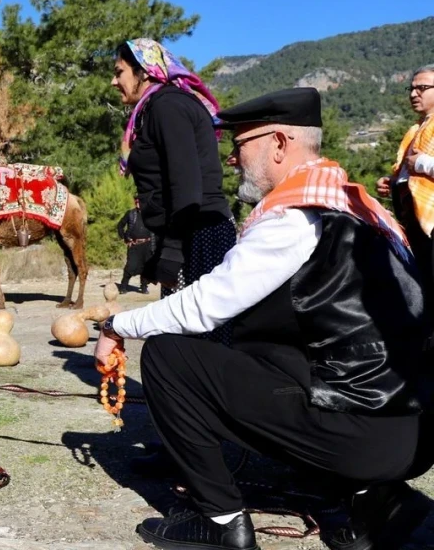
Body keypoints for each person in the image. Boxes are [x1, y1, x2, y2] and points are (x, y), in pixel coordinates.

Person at [94, 87, 432, 550]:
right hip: (414, 432)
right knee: (265, 346)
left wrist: (116, 326)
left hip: (363, 434)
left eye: (239, 146)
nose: (232, 161)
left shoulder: (295, 218)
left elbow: (204, 306)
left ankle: (220, 522)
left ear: (278, 143)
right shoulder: (358, 209)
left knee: (168, 355)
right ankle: (366, 498)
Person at [112, 39, 236, 325]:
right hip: (187, 234)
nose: (113, 81)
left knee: (194, 337)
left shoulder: (168, 106)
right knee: (179, 336)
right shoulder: (155, 108)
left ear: (144, 71)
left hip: (200, 234)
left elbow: (187, 187)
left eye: (119, 72)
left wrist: (171, 250)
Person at [377, 64, 434, 289]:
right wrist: (392, 183)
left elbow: (418, 166)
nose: (413, 94)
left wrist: (421, 163)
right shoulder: (416, 130)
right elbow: (410, 174)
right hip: (416, 226)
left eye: (422, 88)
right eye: (411, 88)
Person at [116, 197, 152, 294]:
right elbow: (120, 225)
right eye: (136, 201)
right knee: (130, 266)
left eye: (140, 201)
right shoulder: (131, 213)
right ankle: (123, 286)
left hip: (147, 245)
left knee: (146, 267)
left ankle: (144, 287)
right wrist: (125, 238)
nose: (138, 203)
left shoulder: (149, 215)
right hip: (134, 245)